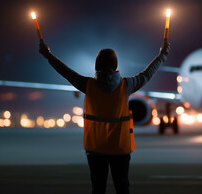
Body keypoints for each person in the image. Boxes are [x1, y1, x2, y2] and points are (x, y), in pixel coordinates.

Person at [39, 39, 170, 194]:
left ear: (96, 65)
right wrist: (162, 55)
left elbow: (65, 72)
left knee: (98, 188)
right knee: (122, 188)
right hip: (120, 148)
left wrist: (48, 55)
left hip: (95, 148)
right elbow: (148, 74)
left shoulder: (87, 85)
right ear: (115, 65)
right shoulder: (126, 85)